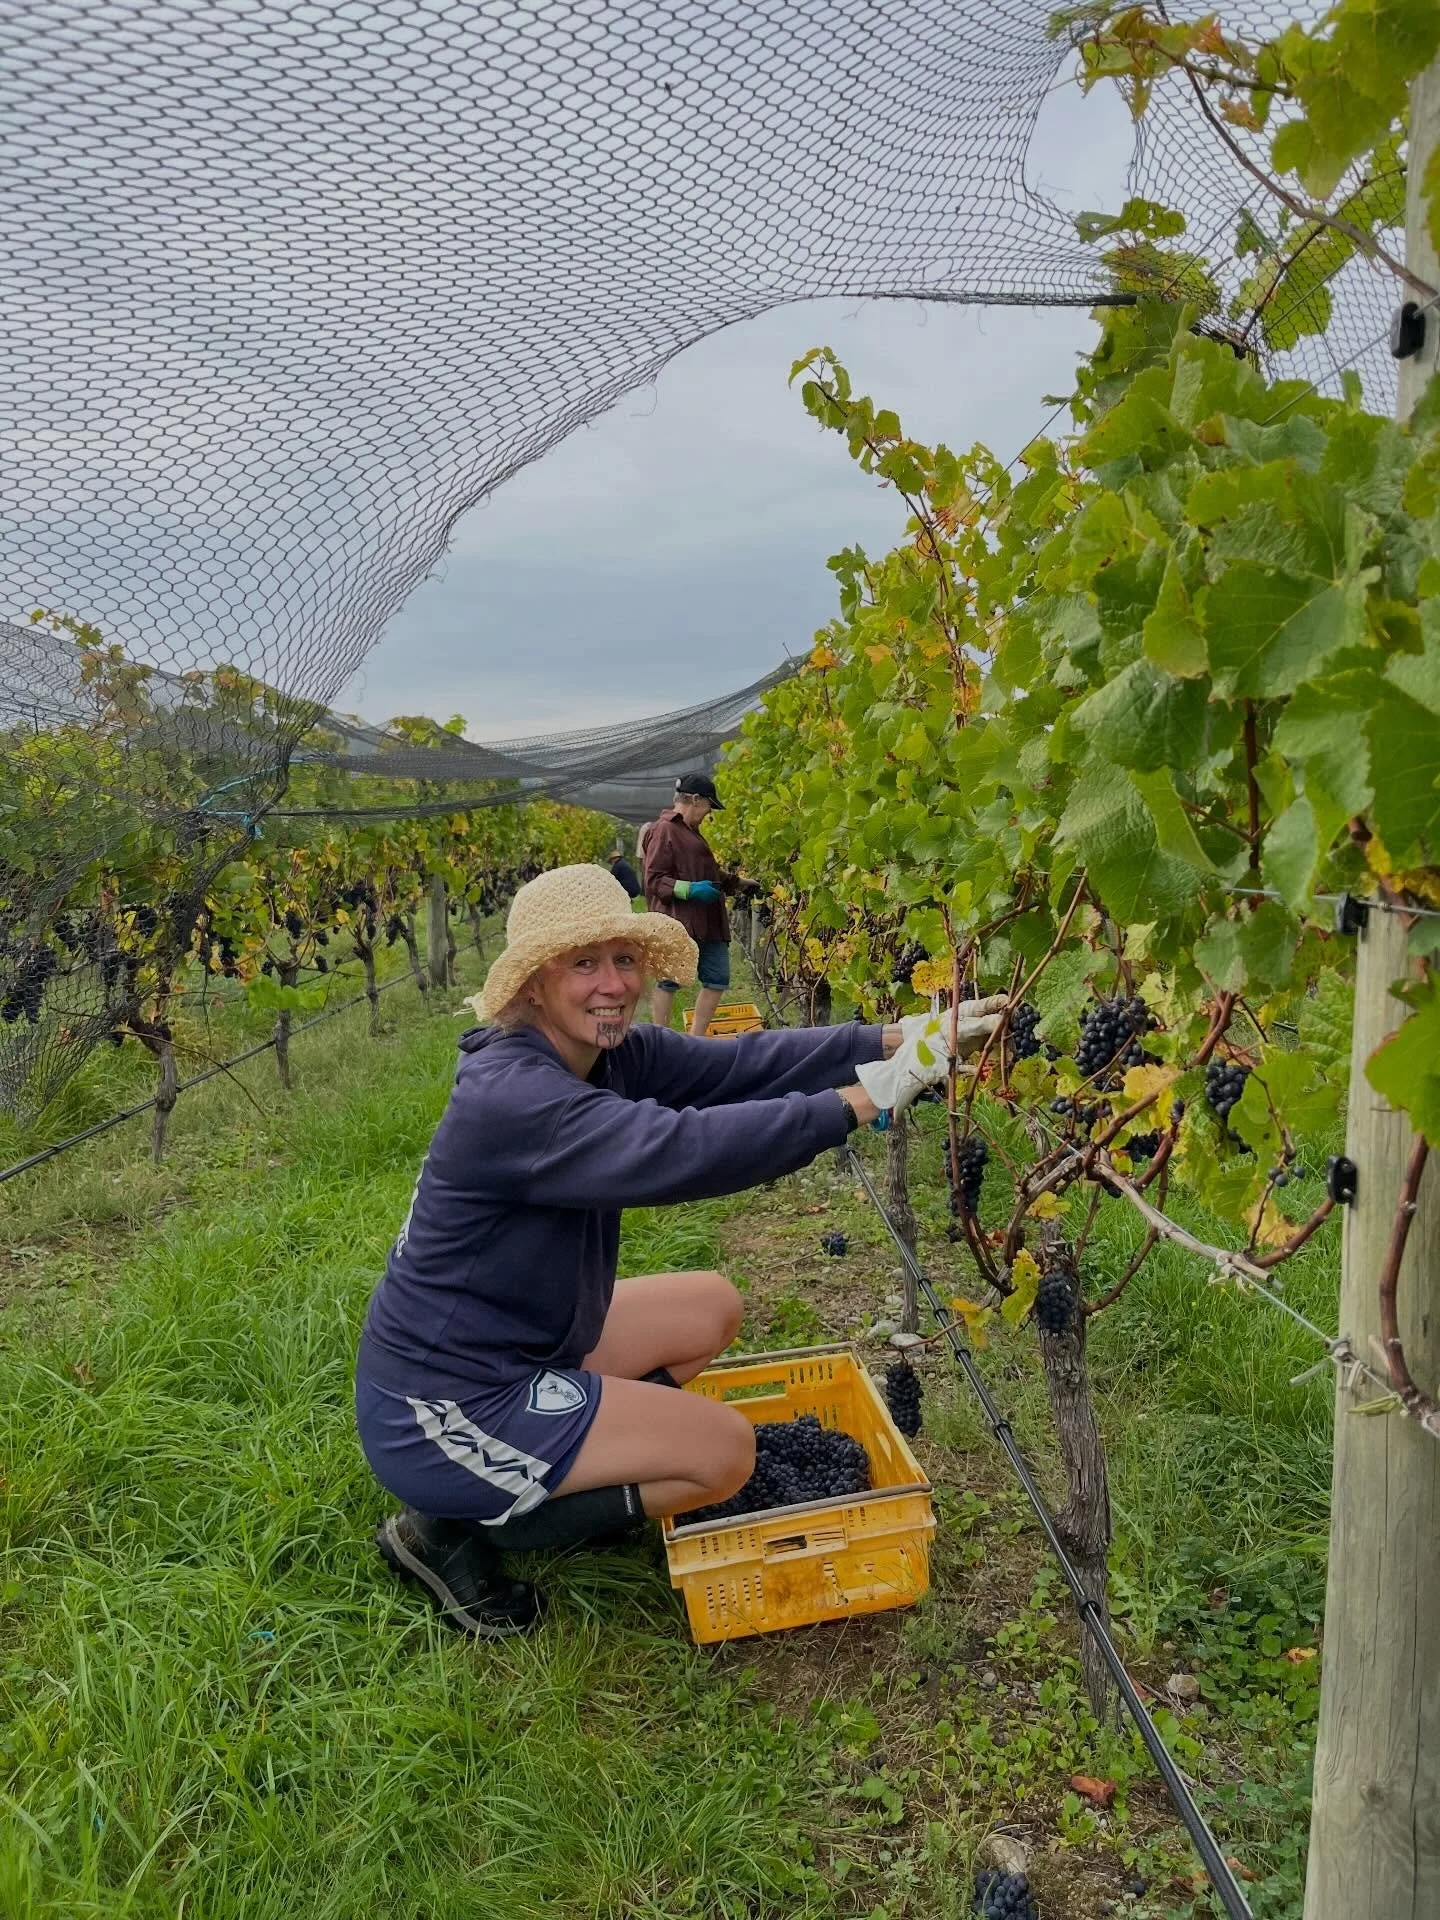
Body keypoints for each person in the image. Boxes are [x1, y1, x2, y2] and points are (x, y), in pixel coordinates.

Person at [354, 862, 1003, 1636]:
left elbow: (740, 1066)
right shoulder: (513, 1099)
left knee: (710, 1307)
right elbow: (685, 1150)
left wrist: (900, 1036)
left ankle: (566, 1463)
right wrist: (866, 1098)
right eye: (583, 964)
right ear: (532, 985)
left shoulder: (607, 1055)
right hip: (442, 1406)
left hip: (526, 1345)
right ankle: (453, 1527)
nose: (613, 984)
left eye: (624, 960)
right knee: (725, 1456)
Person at [643, 772, 757, 1035]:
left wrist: (738, 883)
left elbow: (709, 874)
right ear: (695, 800)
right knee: (669, 980)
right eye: (709, 805)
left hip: (709, 922)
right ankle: (661, 1039)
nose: (709, 812)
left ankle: (696, 1040)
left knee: (717, 978)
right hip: (679, 923)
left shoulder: (691, 832)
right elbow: (654, 881)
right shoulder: (663, 830)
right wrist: (690, 889)